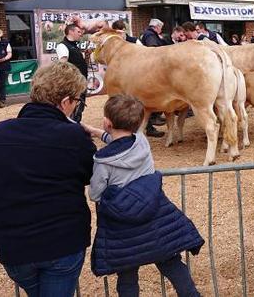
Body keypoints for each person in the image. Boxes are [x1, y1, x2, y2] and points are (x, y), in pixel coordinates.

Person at [0, 62, 94, 297]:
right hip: (61, 244)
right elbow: (91, 172)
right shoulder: (71, 136)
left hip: (12, 246)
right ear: (65, 102)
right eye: (76, 101)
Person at [83, 94, 203, 296]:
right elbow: (124, 141)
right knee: (172, 263)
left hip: (124, 229)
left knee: (127, 276)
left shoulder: (103, 162)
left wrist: (98, 135)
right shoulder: (141, 142)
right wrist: (98, 133)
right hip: (155, 218)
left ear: (107, 122)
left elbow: (95, 194)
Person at [139, 19, 167, 137]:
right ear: (156, 27)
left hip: (147, 69)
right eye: (160, 28)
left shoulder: (148, 34)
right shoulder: (150, 35)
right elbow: (153, 49)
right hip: (151, 70)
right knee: (151, 96)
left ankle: (151, 121)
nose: (161, 30)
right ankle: (150, 124)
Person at [55, 24, 88, 122]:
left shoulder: (74, 46)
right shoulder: (62, 45)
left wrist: (86, 55)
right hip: (72, 84)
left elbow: (81, 63)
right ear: (71, 32)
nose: (80, 34)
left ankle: (75, 126)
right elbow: (63, 65)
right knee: (73, 107)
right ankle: (71, 128)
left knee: (79, 108)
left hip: (80, 81)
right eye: (78, 32)